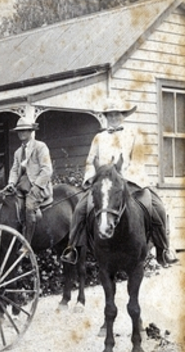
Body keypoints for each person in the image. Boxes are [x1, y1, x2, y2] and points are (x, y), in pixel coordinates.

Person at [61, 99, 177, 266]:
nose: (113, 117)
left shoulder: (134, 134)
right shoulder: (98, 137)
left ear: (123, 115)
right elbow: (90, 161)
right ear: (106, 116)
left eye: (117, 114)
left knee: (156, 206)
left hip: (130, 182)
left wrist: (122, 179)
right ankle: (73, 249)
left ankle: (164, 249)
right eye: (110, 114)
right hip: (103, 185)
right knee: (80, 209)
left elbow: (137, 161)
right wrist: (92, 179)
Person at [4, 117, 53, 247]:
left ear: (31, 131)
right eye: (19, 131)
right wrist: (11, 183)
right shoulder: (18, 152)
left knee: (30, 206)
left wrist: (37, 186)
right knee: (7, 203)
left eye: (24, 131)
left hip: (38, 185)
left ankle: (27, 244)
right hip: (22, 185)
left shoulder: (40, 147)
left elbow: (47, 169)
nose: (21, 133)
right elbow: (14, 170)